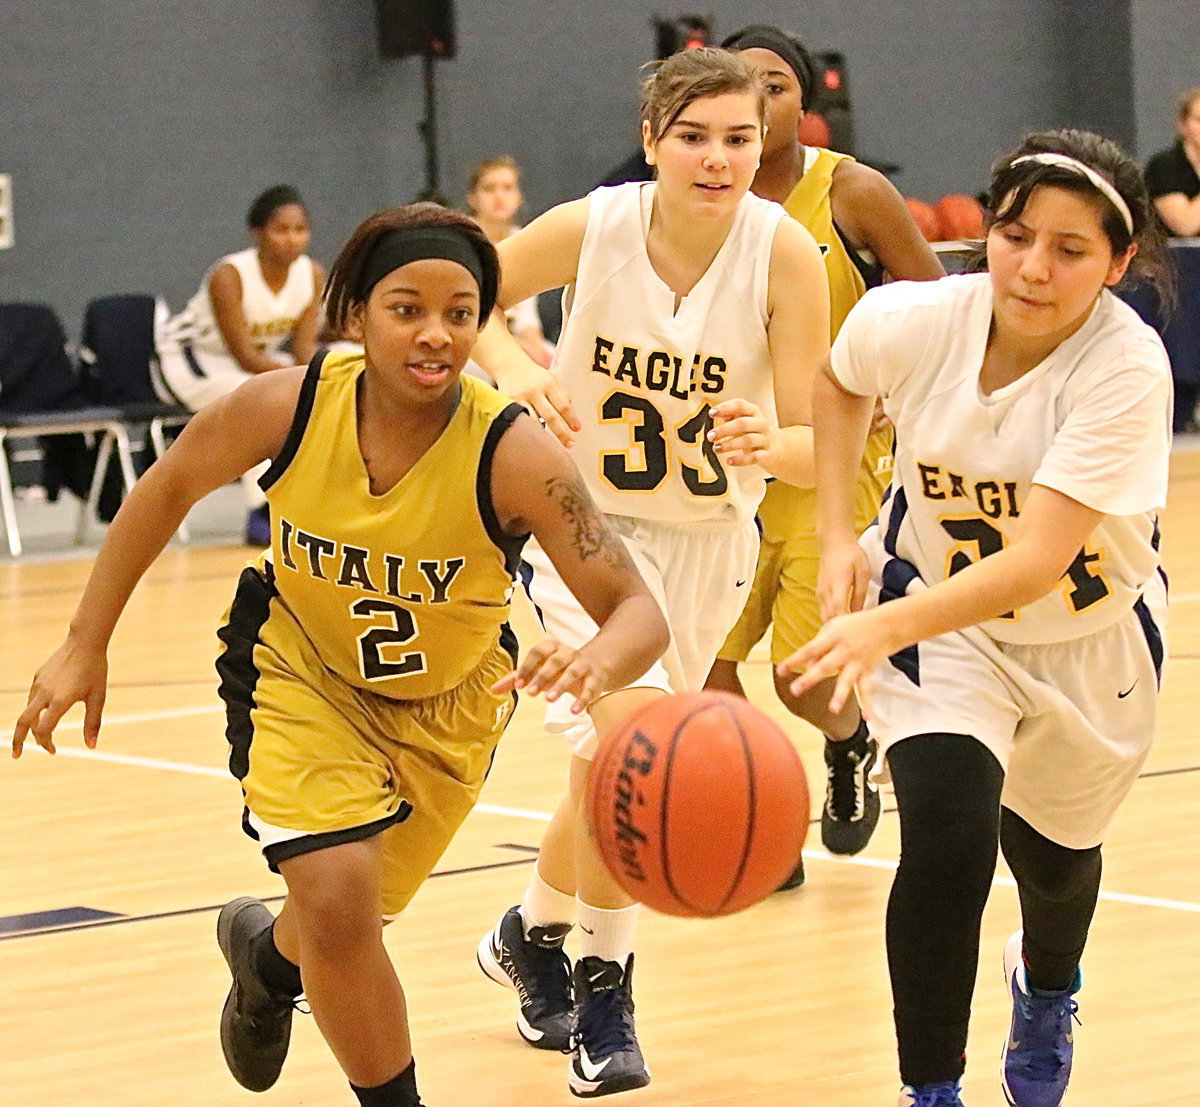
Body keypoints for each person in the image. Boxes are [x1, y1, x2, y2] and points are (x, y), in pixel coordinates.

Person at [13, 203, 670, 1107]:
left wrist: (599, 659)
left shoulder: (516, 450)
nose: (435, 334)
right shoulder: (287, 403)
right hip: (301, 670)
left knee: (338, 922)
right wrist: (84, 641)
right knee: (337, 897)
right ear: (357, 314)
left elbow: (636, 609)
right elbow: (164, 489)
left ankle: (264, 959)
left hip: (451, 702)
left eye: (460, 312)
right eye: (407, 309)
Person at [780, 129, 1171, 1107]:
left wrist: (873, 630)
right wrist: (838, 539)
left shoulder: (1126, 368)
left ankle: (1046, 988)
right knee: (949, 836)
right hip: (938, 620)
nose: (1033, 269)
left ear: (1119, 263)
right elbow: (837, 388)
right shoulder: (913, 319)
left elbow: (1037, 561)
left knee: (1055, 865)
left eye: (1071, 250)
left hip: (1085, 640)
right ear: (986, 230)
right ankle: (932, 1090)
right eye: (1014, 234)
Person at [469, 46, 830, 1098]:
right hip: (585, 534)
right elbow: (466, 295)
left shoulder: (784, 252)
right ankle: (603, 988)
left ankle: (527, 933)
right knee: (631, 752)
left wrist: (772, 439)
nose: (718, 159)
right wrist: (515, 374)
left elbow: (818, 438)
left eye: (739, 138)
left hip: (710, 544)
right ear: (651, 143)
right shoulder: (595, 225)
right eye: (695, 137)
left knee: (601, 769)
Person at [707, 24, 945, 888]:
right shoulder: (699, 194)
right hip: (723, 462)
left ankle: (849, 741)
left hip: (827, 465)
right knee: (705, 668)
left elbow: (938, 306)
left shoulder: (849, 190)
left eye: (775, 84)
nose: (759, 100)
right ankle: (767, 822)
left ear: (804, 100)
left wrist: (891, 390)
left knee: (804, 679)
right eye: (741, 84)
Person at [155, 185, 326, 545]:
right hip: (189, 359)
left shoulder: (311, 274)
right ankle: (260, 511)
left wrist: (320, 382)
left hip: (249, 364)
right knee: (256, 404)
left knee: (323, 377)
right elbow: (244, 356)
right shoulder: (230, 275)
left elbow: (304, 351)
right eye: (282, 230)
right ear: (258, 233)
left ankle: (306, 506)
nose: (293, 239)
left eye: (301, 230)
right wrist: (306, 382)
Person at [465, 156, 555, 368]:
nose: (499, 197)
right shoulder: (461, 238)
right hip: (471, 337)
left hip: (514, 336)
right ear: (473, 198)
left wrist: (533, 344)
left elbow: (527, 314)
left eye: (507, 188)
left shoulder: (524, 239)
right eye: (489, 189)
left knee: (554, 360)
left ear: (519, 196)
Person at [1145, 88, 1200, 238]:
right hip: (1179, 257)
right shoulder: (1164, 166)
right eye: (1199, 120)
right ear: (1183, 125)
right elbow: (1184, 225)